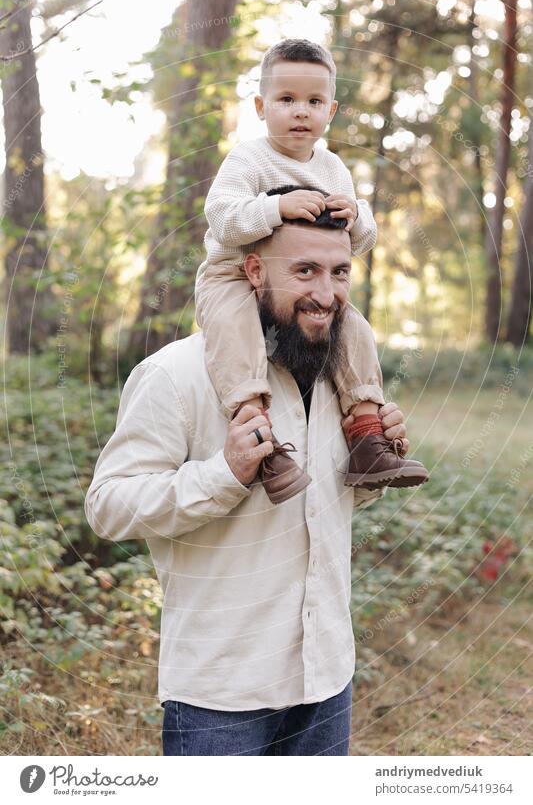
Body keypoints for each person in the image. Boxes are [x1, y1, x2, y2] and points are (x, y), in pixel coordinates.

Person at [85, 202, 416, 756]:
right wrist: (224, 473)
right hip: (221, 693)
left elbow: (324, 510)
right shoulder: (177, 374)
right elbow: (108, 505)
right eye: (304, 271)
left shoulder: (345, 382)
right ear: (255, 272)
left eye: (339, 272)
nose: (327, 293)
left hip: (326, 678)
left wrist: (374, 464)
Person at [195, 37, 428, 505]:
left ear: (331, 110)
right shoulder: (250, 158)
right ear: (262, 107)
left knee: (356, 329)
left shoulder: (333, 168)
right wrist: (276, 206)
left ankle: (365, 435)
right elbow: (220, 215)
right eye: (286, 100)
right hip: (231, 273)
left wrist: (356, 215)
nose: (300, 112)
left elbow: (358, 241)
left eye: (314, 101)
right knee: (234, 330)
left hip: (298, 283)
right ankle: (258, 438)